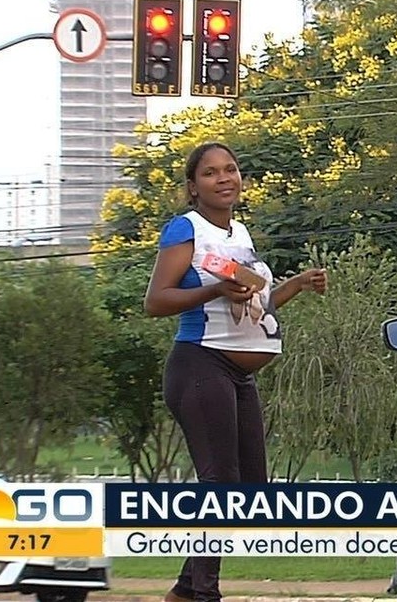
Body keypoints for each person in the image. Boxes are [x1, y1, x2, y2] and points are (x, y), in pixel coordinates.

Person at [143, 141, 327, 602]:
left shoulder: (239, 234)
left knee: (248, 490)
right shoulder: (186, 229)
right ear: (193, 187)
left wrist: (298, 285)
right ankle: (204, 594)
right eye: (210, 173)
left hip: (237, 374)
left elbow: (257, 303)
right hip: (199, 363)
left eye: (231, 170)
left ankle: (186, 590)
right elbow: (156, 301)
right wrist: (214, 293)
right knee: (219, 484)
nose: (224, 178)